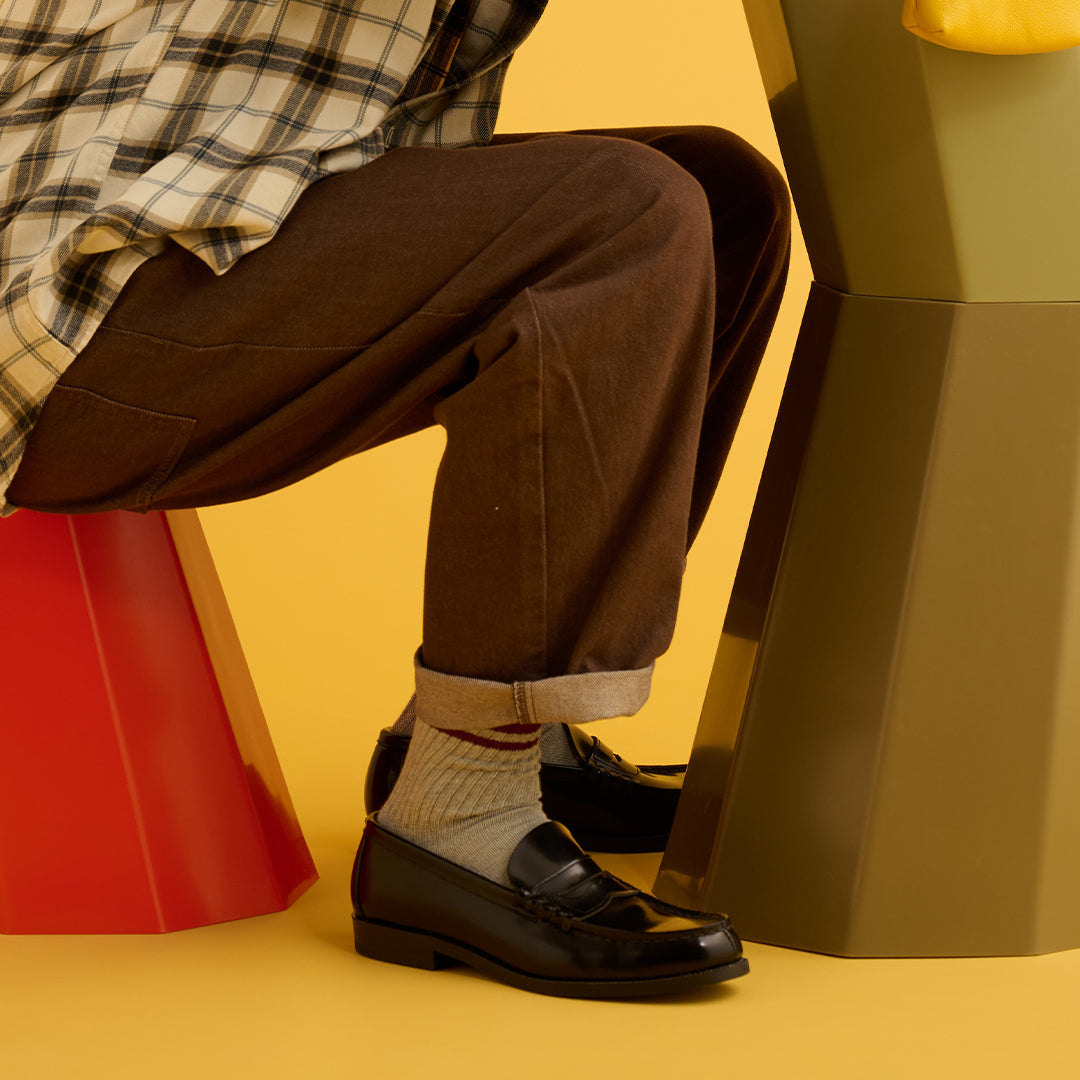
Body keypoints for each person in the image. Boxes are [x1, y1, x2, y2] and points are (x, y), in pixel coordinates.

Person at [1, 1, 790, 997]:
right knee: (621, 217)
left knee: (719, 193)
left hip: (203, 208)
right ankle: (461, 811)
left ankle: (487, 732)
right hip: (63, 291)